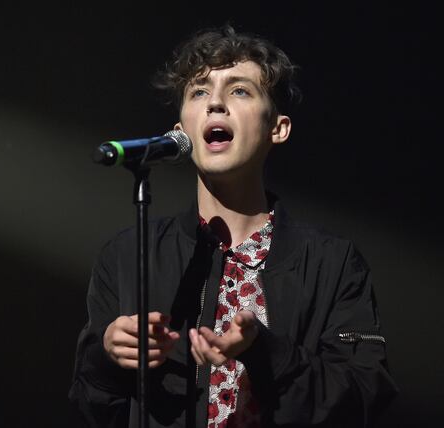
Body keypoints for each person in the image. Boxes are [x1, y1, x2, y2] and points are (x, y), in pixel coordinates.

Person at [68, 24, 398, 427]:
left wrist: (264, 350)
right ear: (180, 131)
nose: (216, 104)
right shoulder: (127, 256)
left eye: (239, 90)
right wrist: (107, 357)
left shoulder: (332, 261)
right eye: (199, 91)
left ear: (278, 128)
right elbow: (91, 407)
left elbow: (363, 399)